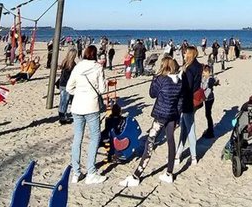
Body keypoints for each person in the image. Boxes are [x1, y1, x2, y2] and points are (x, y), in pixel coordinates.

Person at [119, 57, 183, 187]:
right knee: (171, 141)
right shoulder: (179, 81)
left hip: (161, 115)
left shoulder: (162, 80)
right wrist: (177, 117)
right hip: (172, 115)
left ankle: (137, 175)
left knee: (150, 142)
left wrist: (154, 79)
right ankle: (169, 173)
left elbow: (152, 94)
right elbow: (180, 101)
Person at [66, 45, 107, 185]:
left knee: (78, 138)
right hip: (91, 106)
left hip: (77, 106)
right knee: (95, 137)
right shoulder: (98, 67)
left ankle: (76, 172)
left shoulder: (78, 67)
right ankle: (91, 172)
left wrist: (79, 92)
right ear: (95, 55)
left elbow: (69, 87)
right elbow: (102, 89)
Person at [175, 45, 202, 167]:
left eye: (185, 53)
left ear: (190, 54)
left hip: (188, 101)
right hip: (194, 101)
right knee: (185, 128)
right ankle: (178, 154)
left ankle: (193, 156)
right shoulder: (198, 66)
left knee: (189, 129)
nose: (184, 55)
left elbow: (188, 87)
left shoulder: (190, 69)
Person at [57, 48, 77, 124]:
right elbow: (72, 76)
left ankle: (61, 115)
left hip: (62, 83)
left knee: (62, 100)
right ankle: (62, 118)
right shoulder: (72, 64)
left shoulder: (64, 61)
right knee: (65, 101)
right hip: (67, 84)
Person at [201, 65, 216, 138]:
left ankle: (211, 132)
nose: (203, 73)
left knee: (208, 114)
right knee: (207, 114)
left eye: (204, 72)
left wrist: (204, 97)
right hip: (206, 99)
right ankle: (210, 129)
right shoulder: (203, 78)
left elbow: (209, 89)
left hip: (209, 99)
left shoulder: (210, 79)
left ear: (207, 72)